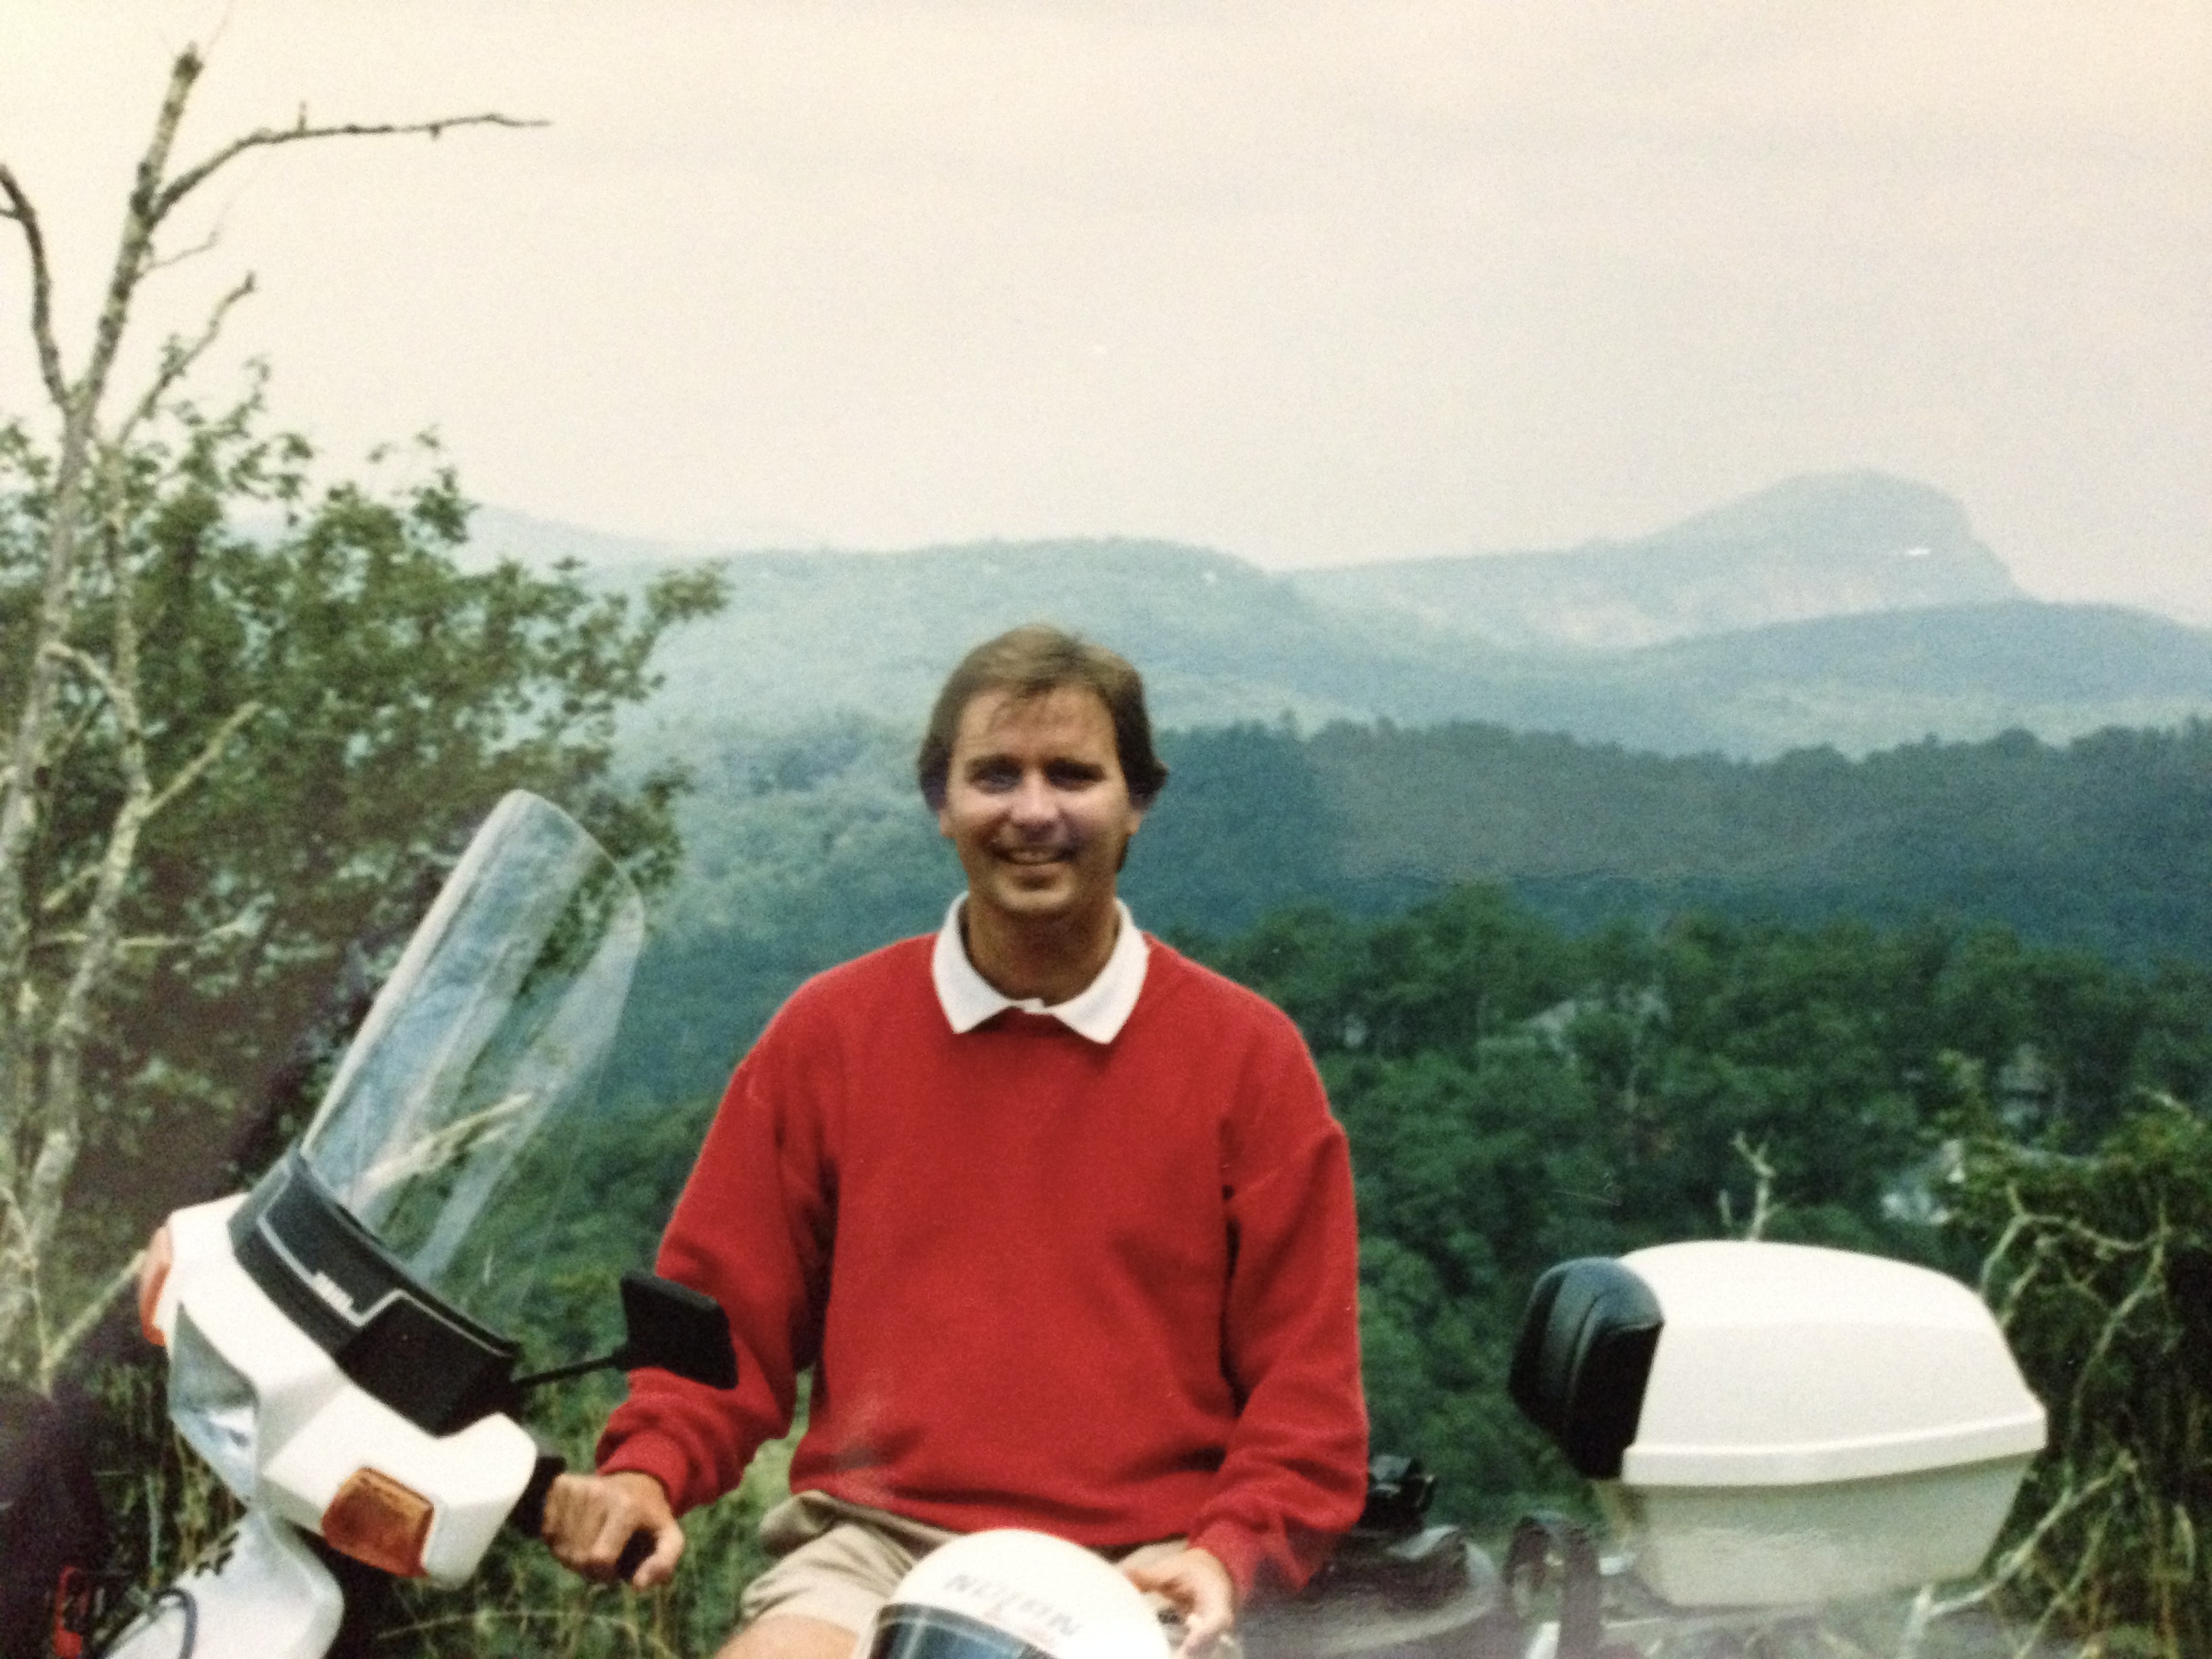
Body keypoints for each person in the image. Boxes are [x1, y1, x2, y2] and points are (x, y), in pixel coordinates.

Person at [544, 624, 1368, 1659]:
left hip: (1142, 1567)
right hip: (874, 1548)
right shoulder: (832, 1034)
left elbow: (1307, 1402)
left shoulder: (1249, 1059)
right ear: (941, 803)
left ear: (1137, 803)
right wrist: (644, 1469)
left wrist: (1227, 1552)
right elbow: (722, 1332)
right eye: (995, 776)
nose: (1034, 810)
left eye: (1074, 774)